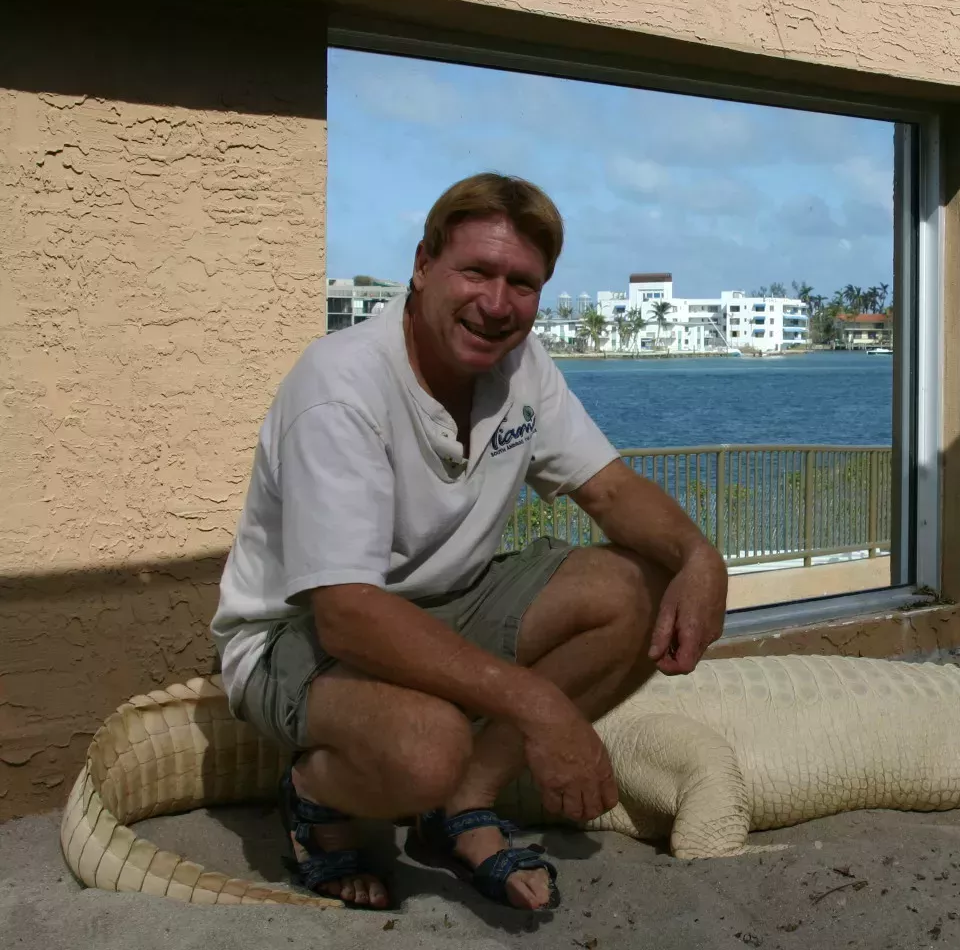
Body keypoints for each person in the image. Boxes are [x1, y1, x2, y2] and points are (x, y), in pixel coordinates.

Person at [209, 172, 729, 913]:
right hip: (295, 636)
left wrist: (700, 557)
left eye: (522, 282)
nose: (496, 303)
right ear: (422, 265)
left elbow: (610, 490)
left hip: (442, 601)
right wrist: (540, 706)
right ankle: (314, 798)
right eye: (476, 271)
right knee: (428, 743)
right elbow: (346, 613)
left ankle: (462, 806)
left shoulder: (523, 366)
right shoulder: (341, 387)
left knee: (640, 589)